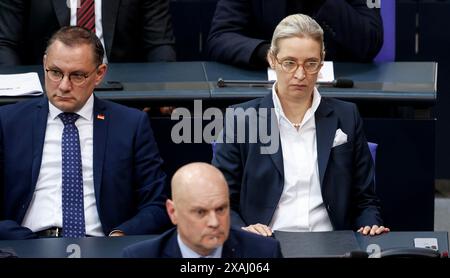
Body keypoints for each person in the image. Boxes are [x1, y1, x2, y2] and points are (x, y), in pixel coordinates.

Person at [212, 14, 390, 237]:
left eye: (311, 64)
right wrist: (243, 230)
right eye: (289, 63)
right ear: (272, 60)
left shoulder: (347, 116)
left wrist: (369, 224)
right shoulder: (240, 118)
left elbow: (365, 200)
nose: (300, 74)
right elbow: (221, 200)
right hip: (266, 241)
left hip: (331, 242)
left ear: (322, 62)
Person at [0, 26, 171, 239]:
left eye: (77, 76)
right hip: (27, 245)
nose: (63, 86)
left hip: (102, 246)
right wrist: (24, 242)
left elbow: (156, 205)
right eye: (55, 72)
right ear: (44, 64)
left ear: (99, 74)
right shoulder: (8, 122)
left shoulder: (131, 125)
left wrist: (119, 236)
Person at [123, 162, 283, 258]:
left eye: (220, 209)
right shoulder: (139, 256)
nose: (214, 222)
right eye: (200, 212)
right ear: (173, 212)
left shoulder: (264, 253)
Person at [207, 0, 383, 68]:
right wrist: (268, 52)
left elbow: (370, 41)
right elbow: (221, 37)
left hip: (341, 95)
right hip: (265, 93)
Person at [0, 0, 176, 65]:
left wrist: (157, 93)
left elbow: (159, 45)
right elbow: (6, 43)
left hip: (120, 92)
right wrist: (19, 100)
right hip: (49, 92)